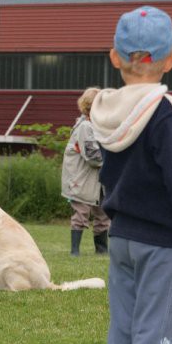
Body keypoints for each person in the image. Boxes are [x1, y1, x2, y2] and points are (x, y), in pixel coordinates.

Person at [91, 6, 172, 344]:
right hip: (162, 243)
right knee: (157, 330)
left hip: (122, 238)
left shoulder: (107, 112)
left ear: (115, 57)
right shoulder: (171, 116)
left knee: (124, 329)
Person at [61, 87, 110, 256]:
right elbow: (93, 157)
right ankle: (75, 251)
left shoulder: (99, 126)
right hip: (81, 180)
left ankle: (102, 250)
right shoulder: (85, 127)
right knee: (81, 214)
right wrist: (113, 159)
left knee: (103, 215)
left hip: (99, 180)